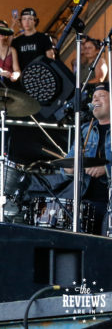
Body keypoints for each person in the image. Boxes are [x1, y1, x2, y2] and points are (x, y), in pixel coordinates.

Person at [59, 85, 111, 229]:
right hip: (87, 203)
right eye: (94, 96)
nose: (95, 98)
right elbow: (66, 168)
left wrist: (106, 169)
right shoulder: (84, 130)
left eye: (101, 95)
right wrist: (70, 168)